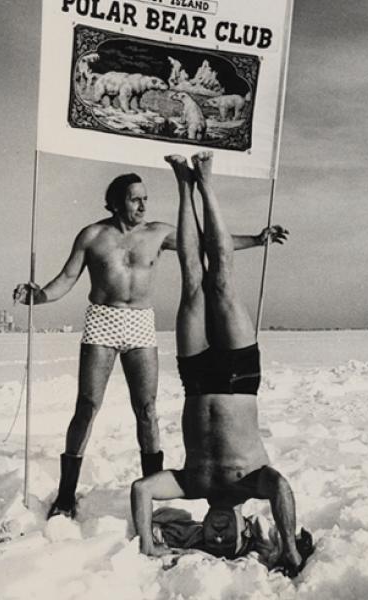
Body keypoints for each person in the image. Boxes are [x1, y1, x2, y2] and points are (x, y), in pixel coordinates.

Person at [13, 171, 287, 519]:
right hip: (103, 319)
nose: (142, 205)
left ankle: (150, 488)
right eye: (134, 199)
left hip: (141, 322)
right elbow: (67, 278)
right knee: (87, 404)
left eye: (145, 198)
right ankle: (66, 495)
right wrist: (37, 296)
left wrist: (257, 239)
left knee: (146, 409)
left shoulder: (158, 233)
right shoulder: (92, 235)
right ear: (115, 203)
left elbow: (206, 242)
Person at [131, 152, 312, 577]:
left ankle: (183, 183)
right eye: (224, 539)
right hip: (238, 380)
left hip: (196, 380)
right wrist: (288, 547)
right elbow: (281, 488)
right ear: (241, 531)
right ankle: (207, 182)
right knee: (223, 281)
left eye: (209, 540)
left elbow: (142, 490)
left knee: (193, 279)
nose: (215, 535)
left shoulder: (191, 488)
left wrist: (147, 546)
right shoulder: (251, 483)